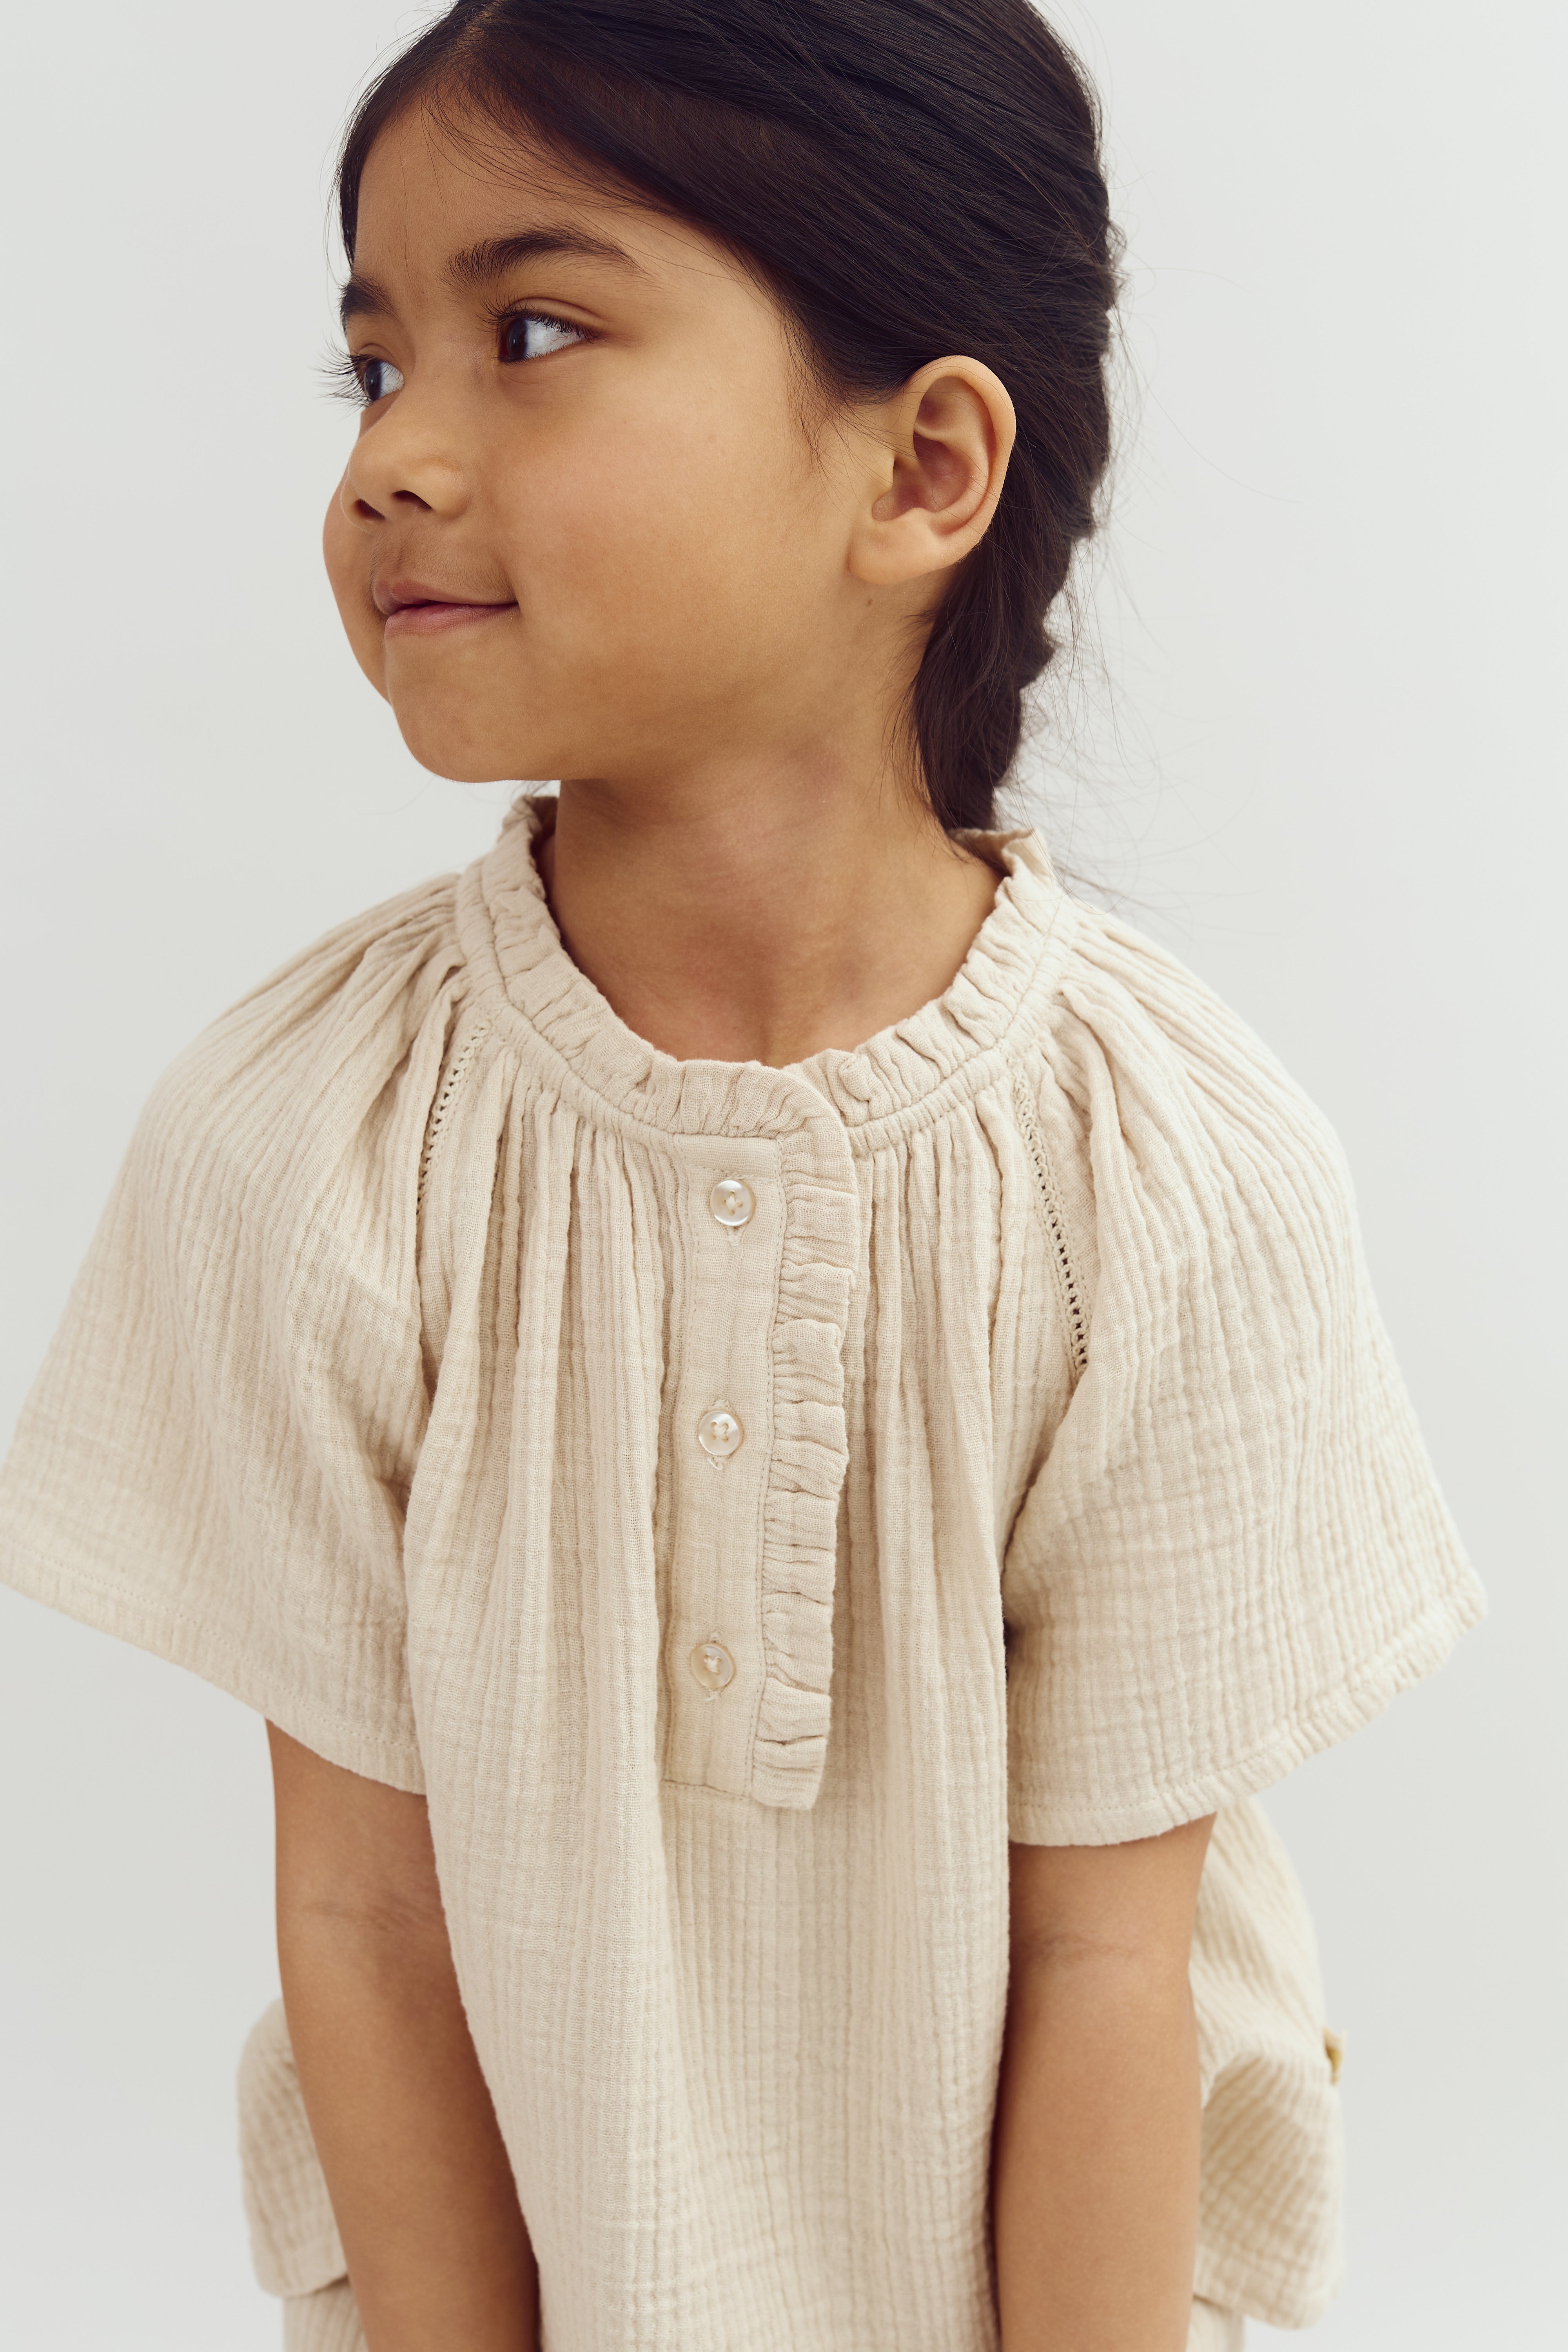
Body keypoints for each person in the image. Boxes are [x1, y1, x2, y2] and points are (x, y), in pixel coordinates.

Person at [0, 4, 1484, 2347]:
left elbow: (1117, 1962)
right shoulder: (308, 1147)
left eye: (538, 329)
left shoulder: (1167, 1174)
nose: (397, 455)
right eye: (372, 363)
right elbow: (367, 1931)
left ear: (921, 470)